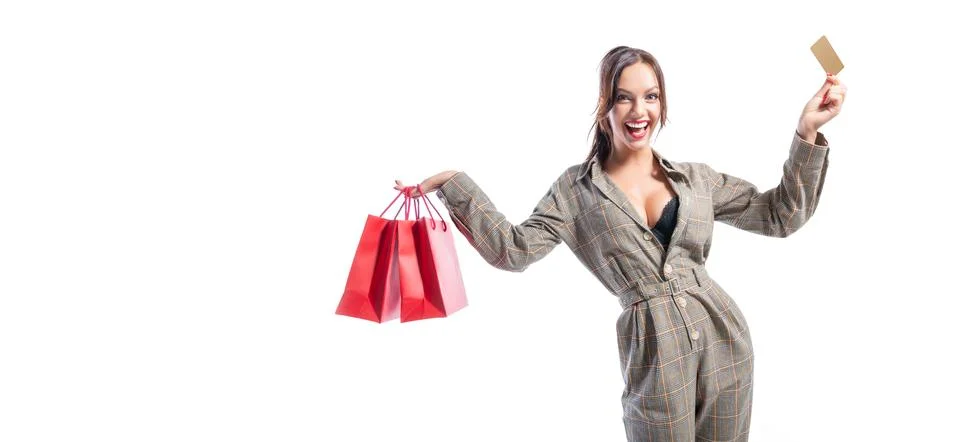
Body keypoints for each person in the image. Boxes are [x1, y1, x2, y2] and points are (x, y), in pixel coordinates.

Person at [394, 46, 846, 441]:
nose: (639, 111)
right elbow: (514, 250)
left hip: (725, 338)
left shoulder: (697, 179)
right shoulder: (576, 190)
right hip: (653, 350)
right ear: (604, 106)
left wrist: (807, 133)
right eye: (624, 97)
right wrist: (454, 184)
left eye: (651, 96)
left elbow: (780, 215)